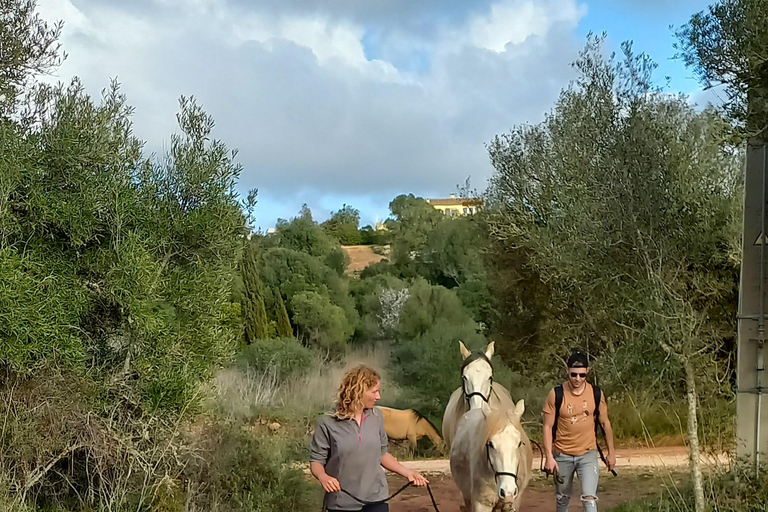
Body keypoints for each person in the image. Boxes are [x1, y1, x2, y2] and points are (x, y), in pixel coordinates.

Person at [310, 365, 429, 512]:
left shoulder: (377, 416)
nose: (378, 397)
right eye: (374, 392)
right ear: (358, 391)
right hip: (341, 502)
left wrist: (408, 473)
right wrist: (323, 477)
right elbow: (316, 461)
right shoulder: (327, 422)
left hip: (376, 499)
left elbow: (382, 454)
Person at [542, 351, 616, 512]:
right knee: (562, 499)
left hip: (587, 453)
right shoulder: (556, 394)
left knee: (590, 499)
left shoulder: (596, 393)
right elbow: (547, 427)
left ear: (587, 372)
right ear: (567, 371)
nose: (577, 379)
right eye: (574, 374)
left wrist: (611, 453)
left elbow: (605, 423)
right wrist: (549, 457)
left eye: (582, 375)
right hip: (562, 454)